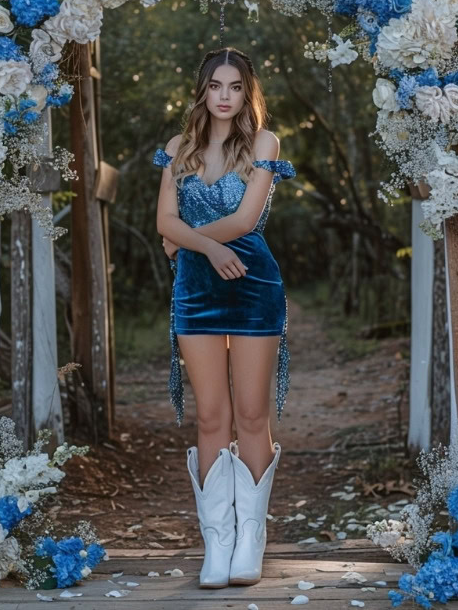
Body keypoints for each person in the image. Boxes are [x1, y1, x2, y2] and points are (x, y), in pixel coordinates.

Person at [152, 46, 296, 589]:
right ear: (202, 90)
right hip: (196, 290)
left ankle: (249, 541)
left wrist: (184, 241)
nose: (225, 97)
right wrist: (202, 250)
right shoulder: (178, 148)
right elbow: (162, 218)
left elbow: (244, 218)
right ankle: (219, 544)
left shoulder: (264, 144)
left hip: (254, 283)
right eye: (216, 86)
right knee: (211, 417)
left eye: (235, 87)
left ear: (246, 93)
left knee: (253, 415)